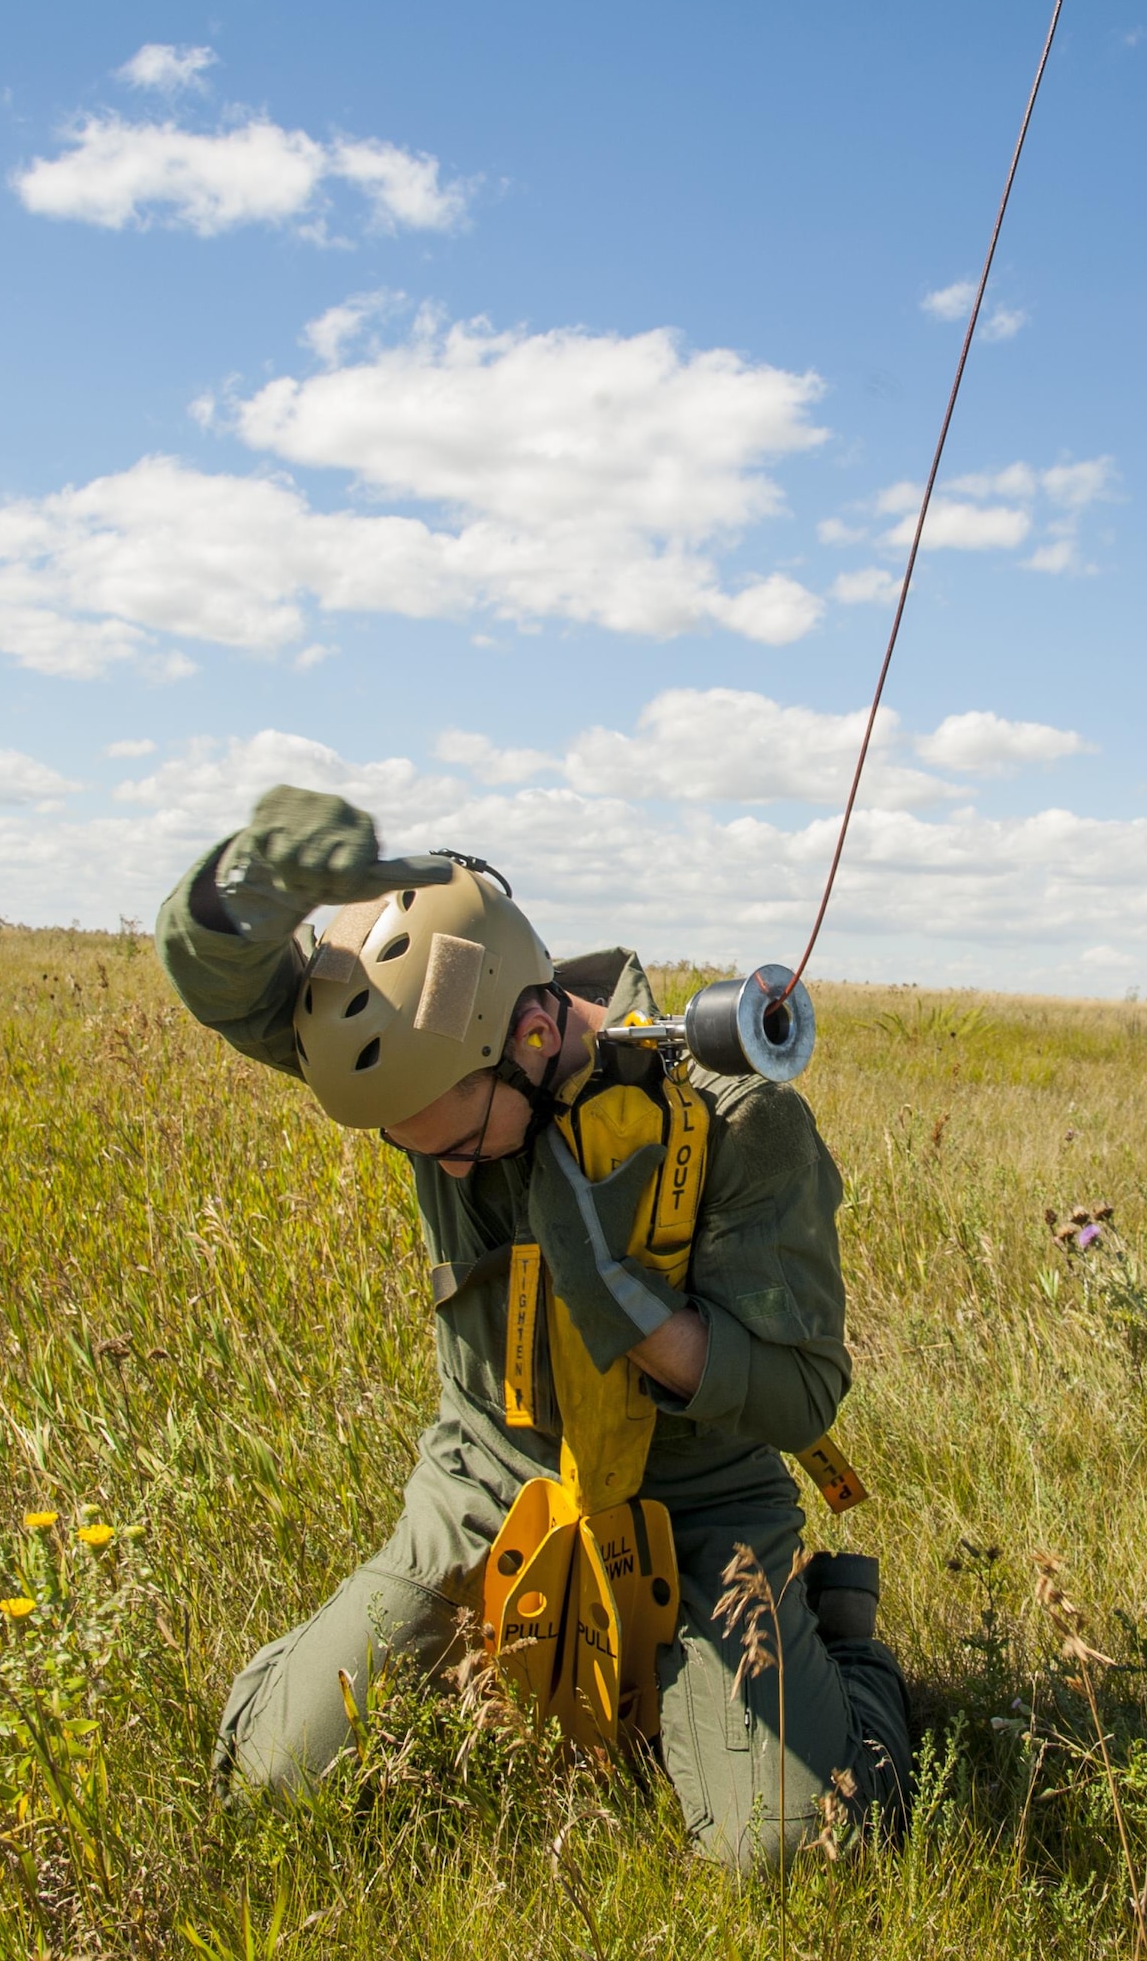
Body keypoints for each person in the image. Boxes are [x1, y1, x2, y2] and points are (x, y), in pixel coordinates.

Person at [156, 783, 912, 1869]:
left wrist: (632, 1311)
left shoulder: (739, 1123)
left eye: (458, 1143)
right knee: (273, 1777)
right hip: (484, 1479)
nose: (443, 1168)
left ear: (535, 1029)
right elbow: (223, 985)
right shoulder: (410, 1056)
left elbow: (802, 1395)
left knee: (791, 1850)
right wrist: (247, 887)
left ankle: (848, 1641)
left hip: (700, 1507)